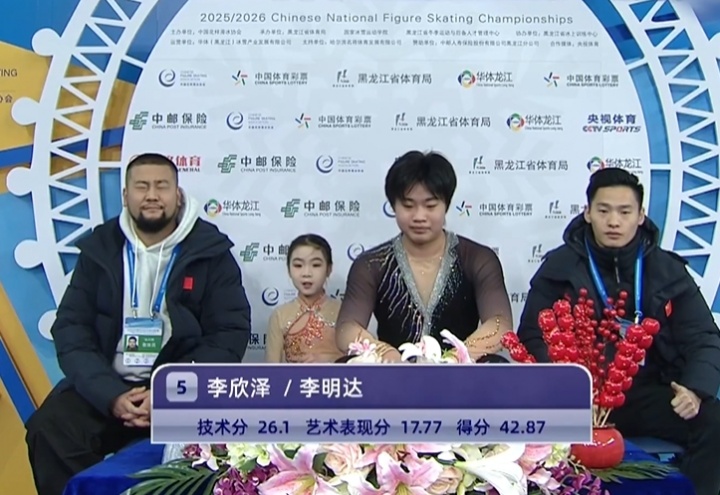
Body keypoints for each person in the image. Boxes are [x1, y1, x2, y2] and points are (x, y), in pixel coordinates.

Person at [25, 153, 252, 495]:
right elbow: (71, 329)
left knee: (207, 448)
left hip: (179, 389)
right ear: (125, 195)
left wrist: (169, 392)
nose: (152, 195)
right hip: (108, 387)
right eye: (142, 186)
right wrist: (111, 395)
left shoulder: (210, 251)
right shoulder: (100, 247)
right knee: (50, 428)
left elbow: (229, 333)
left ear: (178, 195)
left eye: (162, 186)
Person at [517, 167, 720, 495]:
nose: (614, 221)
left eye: (624, 212)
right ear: (587, 213)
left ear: (640, 215)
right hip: (579, 399)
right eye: (604, 211)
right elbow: (532, 334)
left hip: (645, 393)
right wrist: (565, 386)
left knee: (713, 420)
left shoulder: (667, 270)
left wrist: (695, 389)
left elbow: (704, 337)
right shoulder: (560, 268)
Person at [335, 151, 513, 363]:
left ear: (446, 205)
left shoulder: (477, 258)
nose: (419, 216)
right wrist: (383, 353)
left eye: (430, 206)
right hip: (393, 371)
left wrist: (457, 356)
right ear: (393, 206)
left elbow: (500, 324)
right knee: (345, 364)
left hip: (461, 372)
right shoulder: (371, 264)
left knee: (496, 364)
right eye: (408, 206)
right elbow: (347, 328)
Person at [265, 234, 343, 363]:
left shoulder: (344, 312)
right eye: (298, 265)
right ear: (289, 270)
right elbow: (271, 369)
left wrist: (330, 359)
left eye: (316, 265)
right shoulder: (280, 315)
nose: (306, 273)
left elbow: (361, 360)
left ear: (329, 269)